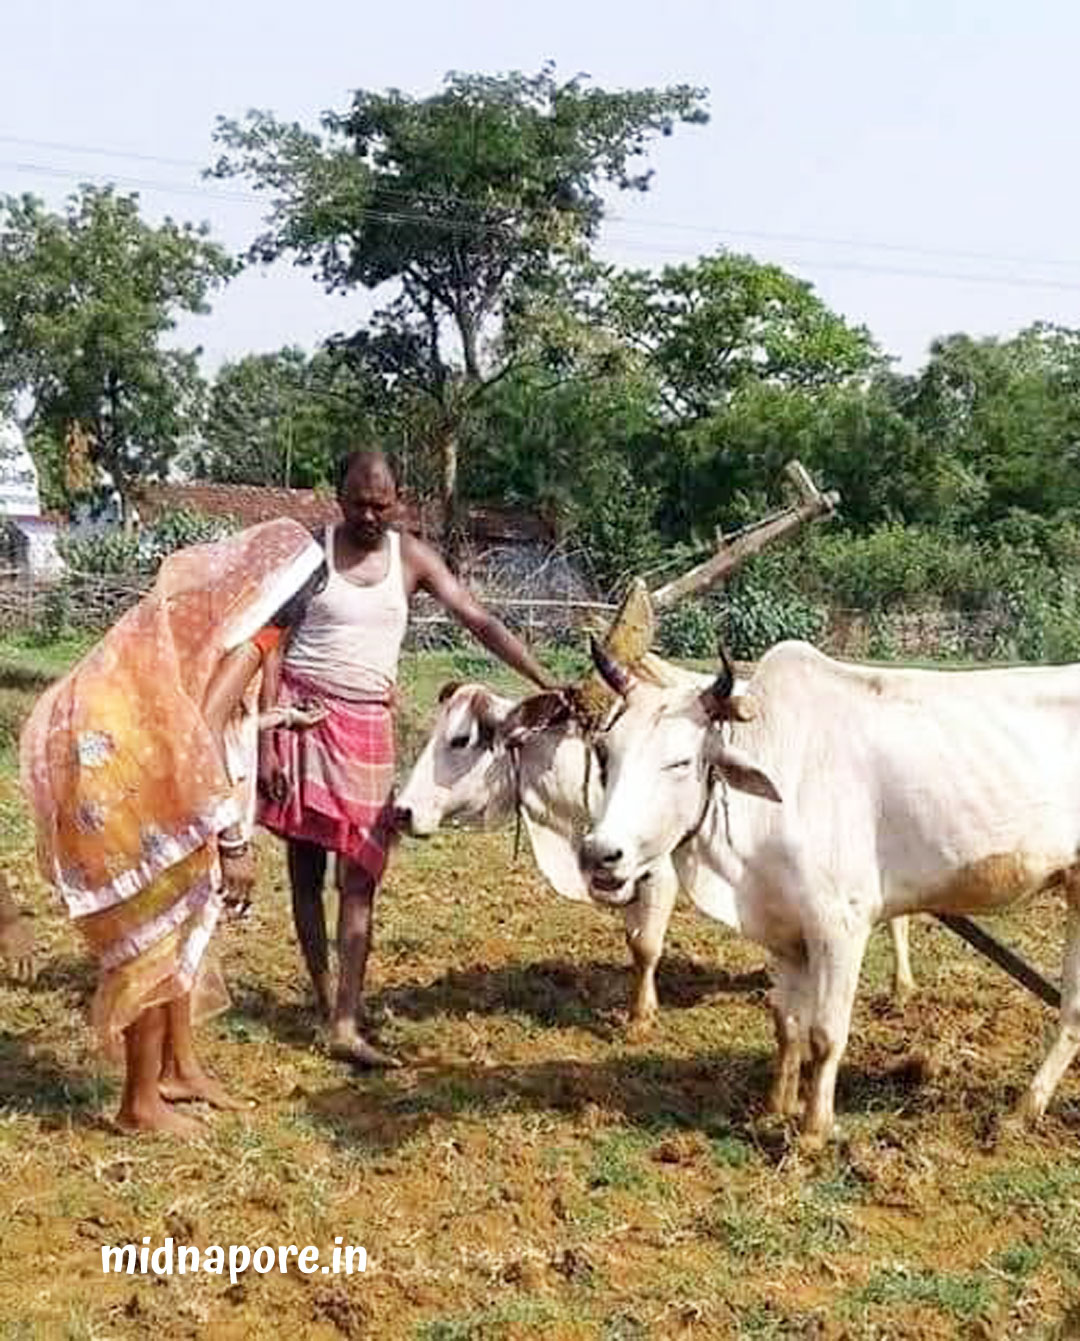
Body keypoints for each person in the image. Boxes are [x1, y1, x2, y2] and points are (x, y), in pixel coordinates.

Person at [20, 519, 327, 1136]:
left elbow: (193, 708)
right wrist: (234, 842)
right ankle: (139, 1104)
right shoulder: (255, 637)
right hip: (119, 762)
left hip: (112, 747)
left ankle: (172, 1073)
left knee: (175, 915)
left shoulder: (212, 617)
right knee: (154, 924)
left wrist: (273, 719)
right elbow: (204, 727)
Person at [259, 449, 555, 1066]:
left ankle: (346, 1018)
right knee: (306, 872)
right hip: (303, 718)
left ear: (399, 499)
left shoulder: (413, 557)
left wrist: (543, 679)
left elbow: (477, 619)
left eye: (382, 502)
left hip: (368, 726)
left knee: (362, 874)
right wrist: (268, 739)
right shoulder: (311, 555)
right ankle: (326, 1001)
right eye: (358, 502)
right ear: (338, 496)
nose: (370, 514)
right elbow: (272, 646)